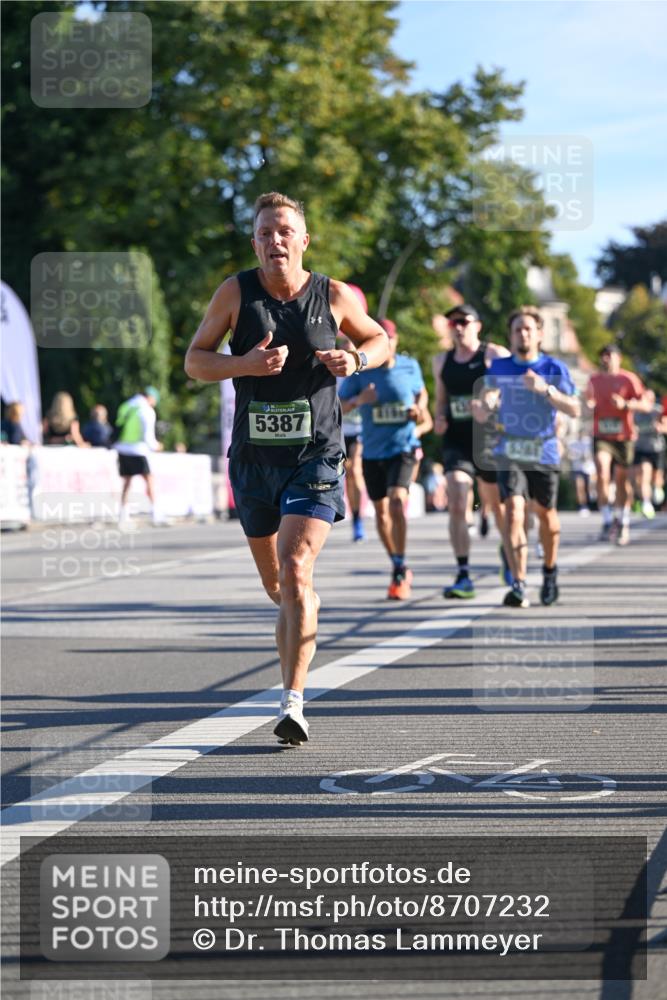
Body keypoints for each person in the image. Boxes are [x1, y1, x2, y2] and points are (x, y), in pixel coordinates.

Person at [184, 192, 388, 746]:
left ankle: (293, 703)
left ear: (304, 240)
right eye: (265, 232)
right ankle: (302, 610)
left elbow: (380, 338)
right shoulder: (235, 292)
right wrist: (243, 364)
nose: (275, 240)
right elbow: (195, 360)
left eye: (284, 231)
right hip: (253, 459)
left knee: (296, 567)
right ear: (254, 242)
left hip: (316, 453)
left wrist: (358, 359)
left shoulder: (334, 294)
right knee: (279, 585)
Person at [476, 306, 580, 608]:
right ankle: (519, 583)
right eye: (517, 329)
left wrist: (545, 390)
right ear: (510, 336)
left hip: (543, 449)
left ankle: (549, 571)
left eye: (527, 329)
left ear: (539, 334)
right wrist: (486, 403)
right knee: (513, 513)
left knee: (547, 517)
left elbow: (574, 408)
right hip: (509, 449)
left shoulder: (554, 368)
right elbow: (488, 397)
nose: (522, 333)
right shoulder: (499, 368)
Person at [339, 318, 428, 601]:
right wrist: (358, 401)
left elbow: (422, 395)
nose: (385, 343)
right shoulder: (361, 371)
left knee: (397, 501)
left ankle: (400, 568)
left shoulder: (410, 367)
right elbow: (336, 407)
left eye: (389, 338)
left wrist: (419, 409)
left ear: (396, 340)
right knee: (380, 514)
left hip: (403, 447)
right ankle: (397, 561)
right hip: (374, 450)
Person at [433, 303, 512, 599]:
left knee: (496, 506)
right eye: (453, 323)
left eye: (464, 321)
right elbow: (441, 401)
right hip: (456, 440)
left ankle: (507, 549)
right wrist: (439, 418)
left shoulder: (494, 355)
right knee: (456, 497)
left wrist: (492, 400)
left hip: (489, 440)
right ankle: (464, 574)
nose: (458, 327)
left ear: (477, 325)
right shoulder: (442, 361)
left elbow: (511, 386)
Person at [585, 344, 648, 545]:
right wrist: (588, 406)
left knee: (622, 480)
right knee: (602, 471)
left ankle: (623, 520)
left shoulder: (629, 379)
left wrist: (626, 404)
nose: (606, 359)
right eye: (603, 356)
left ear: (618, 358)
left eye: (610, 355)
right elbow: (586, 402)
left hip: (624, 436)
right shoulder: (593, 380)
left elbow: (645, 404)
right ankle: (606, 519)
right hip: (601, 434)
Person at [114, 386, 163, 525]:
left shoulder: (126, 405)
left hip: (122, 448)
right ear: (150, 397)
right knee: (149, 480)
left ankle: (123, 514)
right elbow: (148, 438)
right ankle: (156, 513)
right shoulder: (147, 410)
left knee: (127, 482)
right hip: (138, 450)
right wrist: (157, 446)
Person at [338, 333, 367, 542]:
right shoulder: (333, 370)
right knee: (346, 474)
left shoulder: (367, 369)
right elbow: (336, 408)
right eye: (344, 343)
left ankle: (358, 519)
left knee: (354, 469)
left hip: (361, 429)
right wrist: (357, 401)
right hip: (339, 430)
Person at [631, 389, 667, 519]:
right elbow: (629, 426)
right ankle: (646, 503)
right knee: (643, 475)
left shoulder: (658, 411)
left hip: (656, 449)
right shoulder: (635, 413)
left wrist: (661, 428)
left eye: (650, 399)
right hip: (641, 448)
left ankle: (657, 488)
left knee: (657, 479)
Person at [567, 425, 596, 516]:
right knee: (580, 487)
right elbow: (568, 455)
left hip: (589, 469)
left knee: (590, 488)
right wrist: (575, 456)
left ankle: (592, 503)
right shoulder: (572, 443)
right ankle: (583, 506)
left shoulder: (589, 442)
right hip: (577, 468)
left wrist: (588, 457)